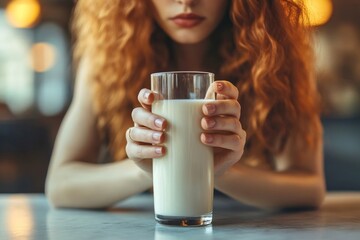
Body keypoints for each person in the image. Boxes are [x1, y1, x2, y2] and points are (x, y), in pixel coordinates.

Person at [45, 0, 326, 209]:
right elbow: (60, 185)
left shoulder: (275, 56)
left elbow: (310, 188)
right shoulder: (108, 56)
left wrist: (222, 170)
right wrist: (145, 166)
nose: (186, 2)